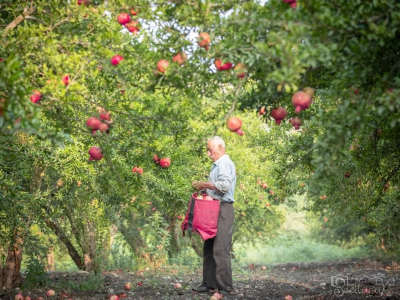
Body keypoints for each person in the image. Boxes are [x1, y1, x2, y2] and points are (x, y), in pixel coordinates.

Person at [192, 136, 236, 295]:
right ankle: (209, 283)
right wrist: (205, 191)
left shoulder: (223, 162)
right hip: (214, 207)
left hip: (224, 208)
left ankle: (224, 286)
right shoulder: (217, 164)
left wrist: (205, 184)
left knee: (221, 248)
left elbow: (224, 186)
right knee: (209, 245)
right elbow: (217, 188)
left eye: (210, 150)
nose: (209, 153)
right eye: (207, 150)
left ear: (220, 147)